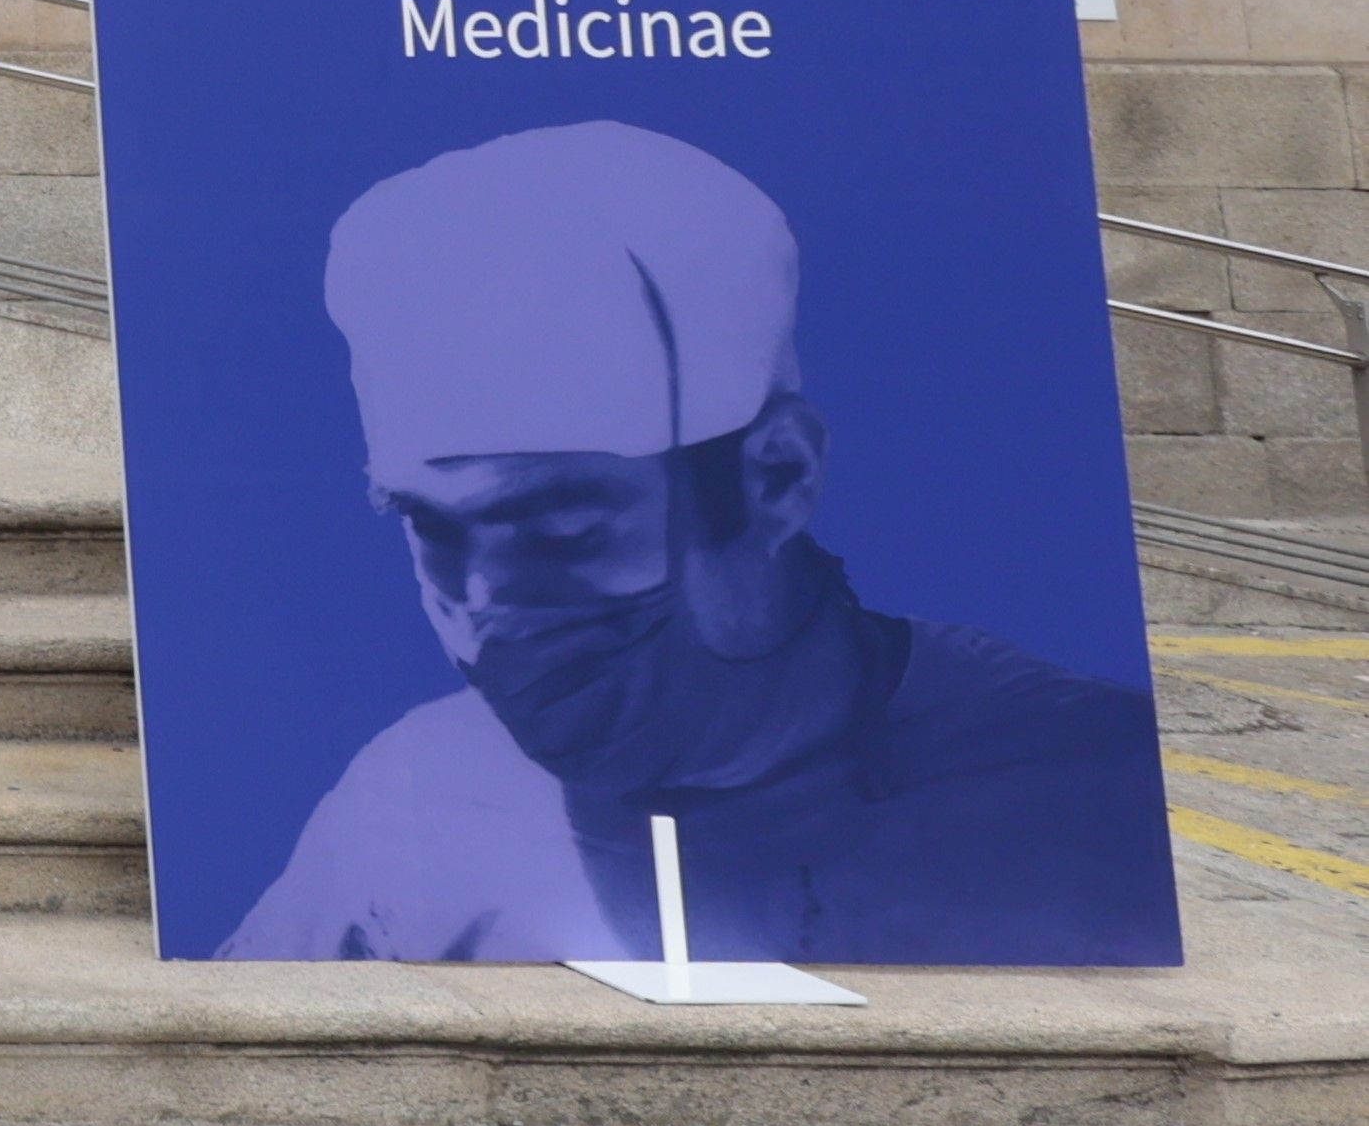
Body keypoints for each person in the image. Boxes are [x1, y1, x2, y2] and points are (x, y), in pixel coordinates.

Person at [221, 122, 1173, 966]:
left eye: (563, 530)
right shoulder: (416, 803)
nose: (489, 609)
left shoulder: (1085, 791)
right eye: (431, 528)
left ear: (776, 479)